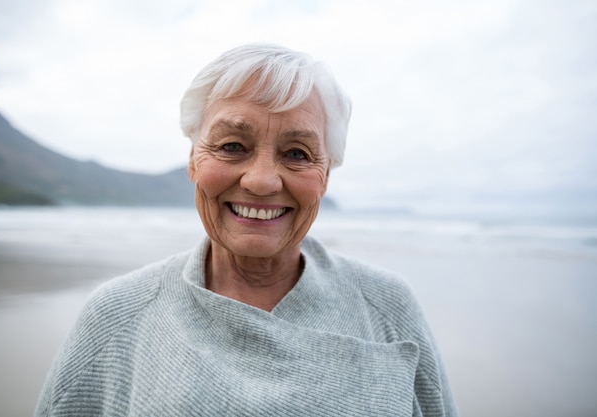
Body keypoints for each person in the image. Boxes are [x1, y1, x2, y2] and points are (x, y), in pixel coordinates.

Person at [35, 43, 458, 416]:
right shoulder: (116, 314)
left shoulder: (386, 305)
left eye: (297, 153)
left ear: (325, 176)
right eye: (232, 146)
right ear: (194, 161)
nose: (262, 181)